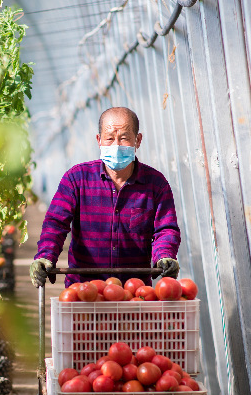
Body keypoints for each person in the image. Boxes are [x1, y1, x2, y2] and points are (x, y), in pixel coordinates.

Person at [29, 107, 180, 288]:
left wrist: (164, 255)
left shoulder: (156, 184)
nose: (116, 145)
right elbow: (55, 222)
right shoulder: (76, 179)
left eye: (124, 138)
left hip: (133, 291)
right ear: (99, 140)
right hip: (84, 290)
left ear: (138, 140)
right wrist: (46, 255)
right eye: (109, 138)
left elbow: (165, 228)